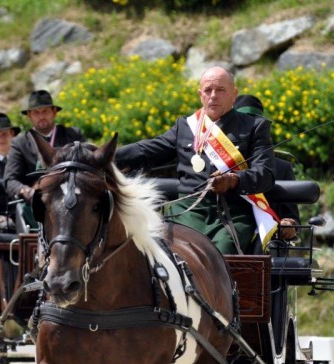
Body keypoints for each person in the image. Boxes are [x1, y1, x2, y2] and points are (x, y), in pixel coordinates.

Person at [116, 66, 294, 254]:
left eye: (220, 90)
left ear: (234, 94)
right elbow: (147, 151)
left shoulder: (254, 127)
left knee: (221, 257)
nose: (213, 96)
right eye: (208, 90)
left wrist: (234, 180)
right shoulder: (185, 126)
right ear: (200, 94)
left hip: (232, 215)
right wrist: (105, 155)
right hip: (188, 212)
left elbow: (264, 174)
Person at [4, 89, 85, 226]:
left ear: (54, 112)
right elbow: (10, 180)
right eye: (36, 112)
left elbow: (86, 167)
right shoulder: (20, 144)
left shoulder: (73, 136)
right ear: (29, 115)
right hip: (36, 206)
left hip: (71, 202)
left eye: (45, 111)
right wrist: (27, 191)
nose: (41, 116)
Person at [234, 93, 300, 225]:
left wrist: (289, 223)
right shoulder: (218, 164)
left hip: (266, 238)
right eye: (244, 126)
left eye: (255, 125)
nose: (249, 132)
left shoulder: (282, 167)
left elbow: (291, 217)